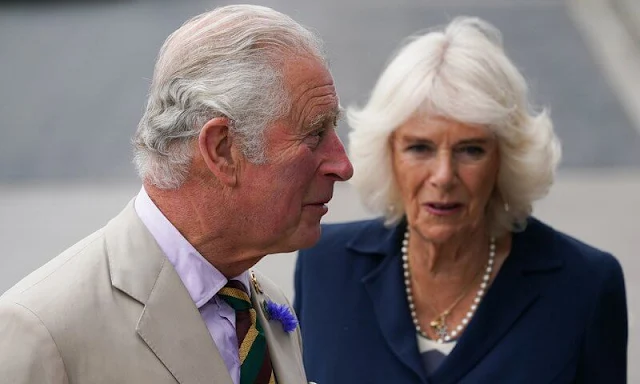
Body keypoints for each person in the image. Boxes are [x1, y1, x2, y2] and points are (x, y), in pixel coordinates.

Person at [0, 5, 352, 384]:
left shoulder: (266, 304)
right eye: (315, 134)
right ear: (221, 149)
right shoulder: (41, 329)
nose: (342, 165)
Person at [294, 16, 627, 384]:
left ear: (506, 159)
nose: (443, 176)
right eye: (420, 148)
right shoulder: (325, 263)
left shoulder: (587, 285)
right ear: (388, 154)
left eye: (470, 150)